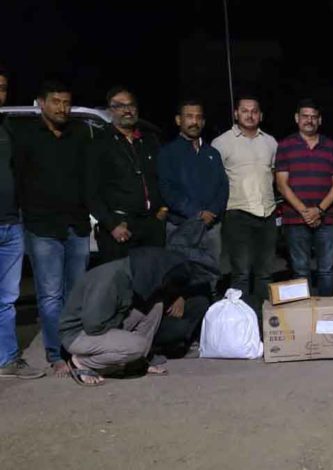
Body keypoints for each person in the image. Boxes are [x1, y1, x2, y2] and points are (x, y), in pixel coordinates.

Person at [12, 80, 91, 377]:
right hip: (42, 227)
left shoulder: (79, 134)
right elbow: (18, 179)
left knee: (77, 293)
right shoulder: (26, 136)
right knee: (50, 295)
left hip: (76, 225)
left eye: (66, 102)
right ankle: (56, 354)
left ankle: (75, 349)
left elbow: (88, 177)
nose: (62, 108)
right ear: (42, 103)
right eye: (56, 101)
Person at [59, 247, 215, 386]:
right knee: (138, 345)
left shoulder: (129, 275)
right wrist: (124, 338)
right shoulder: (109, 281)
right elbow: (94, 325)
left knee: (155, 305)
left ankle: (136, 361)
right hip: (79, 335)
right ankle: (81, 362)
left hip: (103, 325)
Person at [86, 86, 167, 264]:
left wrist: (163, 209)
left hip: (152, 225)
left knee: (152, 277)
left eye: (131, 105)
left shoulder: (148, 140)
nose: (127, 110)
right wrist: (111, 224)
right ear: (110, 110)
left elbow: (163, 177)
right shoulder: (99, 143)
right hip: (120, 227)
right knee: (121, 278)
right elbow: (90, 191)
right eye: (120, 106)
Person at [0, 66, 45, 379]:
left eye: (3, 87)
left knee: (7, 299)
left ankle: (7, 359)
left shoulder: (9, 128)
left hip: (11, 224)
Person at [212, 95, 278, 302]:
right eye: (245, 111)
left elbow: (274, 173)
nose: (250, 115)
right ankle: (240, 318)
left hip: (267, 213)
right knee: (241, 273)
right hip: (237, 213)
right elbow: (215, 178)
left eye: (254, 111)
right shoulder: (222, 143)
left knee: (265, 272)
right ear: (236, 114)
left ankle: (260, 315)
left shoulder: (270, 142)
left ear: (261, 115)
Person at [275, 99, 333, 296]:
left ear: (319, 120)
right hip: (295, 218)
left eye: (314, 117)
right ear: (297, 118)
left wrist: (319, 210)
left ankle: (325, 310)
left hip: (326, 218)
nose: (309, 120)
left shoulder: (331, 146)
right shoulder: (285, 146)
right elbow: (281, 184)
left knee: (327, 270)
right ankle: (304, 311)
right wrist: (305, 212)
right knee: (300, 271)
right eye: (305, 116)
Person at [157, 99, 228, 273]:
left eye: (198, 117)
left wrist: (212, 211)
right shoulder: (167, 153)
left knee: (211, 276)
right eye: (189, 116)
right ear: (178, 120)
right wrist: (197, 214)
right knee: (181, 276)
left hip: (211, 227)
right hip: (182, 227)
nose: (194, 121)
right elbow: (167, 190)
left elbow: (223, 186)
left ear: (203, 122)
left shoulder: (212, 153)